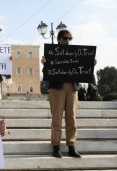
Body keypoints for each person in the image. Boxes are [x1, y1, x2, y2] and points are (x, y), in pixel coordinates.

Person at [41, 29, 96, 158]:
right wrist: (45, 63)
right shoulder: (51, 54)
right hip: (56, 88)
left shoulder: (76, 53)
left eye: (69, 39)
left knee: (72, 118)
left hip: (72, 87)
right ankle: (56, 146)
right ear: (59, 39)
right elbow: (46, 74)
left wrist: (91, 63)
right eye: (65, 38)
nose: (67, 41)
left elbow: (84, 70)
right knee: (57, 119)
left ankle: (71, 146)